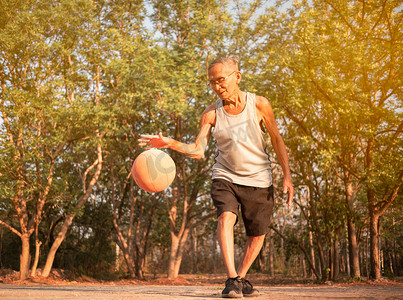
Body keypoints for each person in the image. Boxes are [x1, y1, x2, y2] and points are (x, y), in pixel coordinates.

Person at [139, 56, 294, 298]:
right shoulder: (211, 113)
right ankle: (232, 279)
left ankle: (241, 278)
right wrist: (170, 143)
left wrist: (287, 177)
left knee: (257, 235)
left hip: (259, 179)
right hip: (226, 176)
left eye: (221, 80)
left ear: (237, 77)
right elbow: (198, 150)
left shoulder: (260, 105)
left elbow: (276, 139)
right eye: (212, 82)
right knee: (225, 217)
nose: (216, 86)